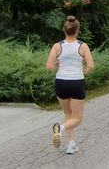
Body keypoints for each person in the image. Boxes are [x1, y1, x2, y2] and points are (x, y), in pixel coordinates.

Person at [46, 16, 94, 154]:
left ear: (64, 30)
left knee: (68, 114)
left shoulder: (57, 46)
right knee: (77, 118)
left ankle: (71, 144)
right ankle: (60, 129)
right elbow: (91, 66)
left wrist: (57, 64)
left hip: (61, 82)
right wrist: (82, 71)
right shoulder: (83, 46)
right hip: (76, 82)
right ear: (77, 30)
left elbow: (49, 67)